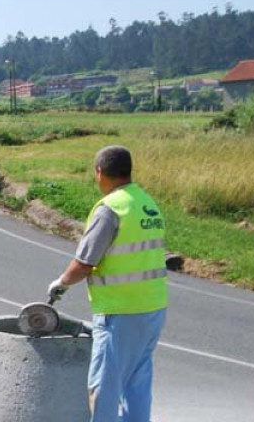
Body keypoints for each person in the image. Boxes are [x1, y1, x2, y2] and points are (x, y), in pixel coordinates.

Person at [47, 145, 167, 422]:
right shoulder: (146, 203)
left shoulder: (110, 209)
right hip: (153, 308)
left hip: (120, 311)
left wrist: (61, 283)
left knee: (103, 387)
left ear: (99, 172)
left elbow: (85, 263)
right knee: (137, 384)